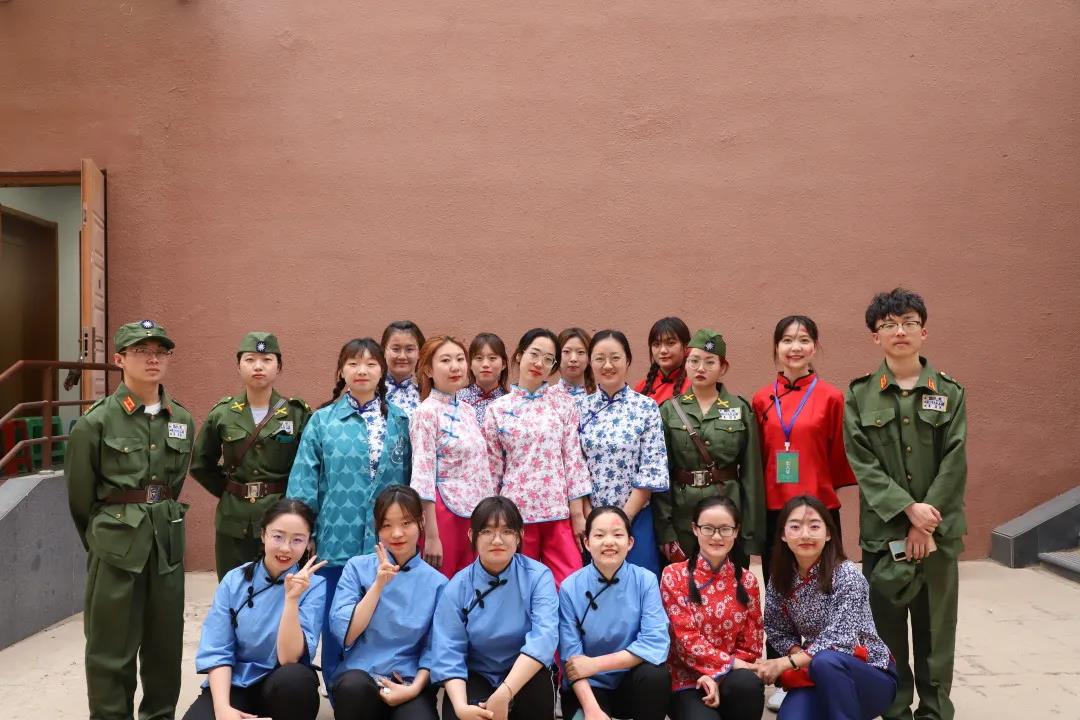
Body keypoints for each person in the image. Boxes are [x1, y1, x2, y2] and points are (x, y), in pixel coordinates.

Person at [844, 288, 966, 720]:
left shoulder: (949, 391)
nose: (900, 331)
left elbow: (955, 460)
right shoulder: (859, 395)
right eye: (889, 325)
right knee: (887, 631)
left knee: (936, 630)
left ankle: (935, 711)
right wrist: (908, 511)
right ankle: (895, 709)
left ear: (923, 332)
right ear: (875, 336)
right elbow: (863, 462)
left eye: (909, 323)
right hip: (885, 535)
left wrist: (925, 520)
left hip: (938, 535)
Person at [65, 320, 195, 720]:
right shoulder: (96, 421)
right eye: (141, 351)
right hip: (116, 546)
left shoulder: (182, 419)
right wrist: (103, 539)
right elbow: (81, 498)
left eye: (160, 352)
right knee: (111, 649)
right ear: (119, 359)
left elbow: (175, 484)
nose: (153, 359)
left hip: (166, 545)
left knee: (164, 648)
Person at [287, 337, 412, 691]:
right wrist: (305, 533)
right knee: (336, 617)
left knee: (381, 615)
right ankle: (338, 687)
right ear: (341, 370)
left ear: (382, 371)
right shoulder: (322, 421)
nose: (362, 371)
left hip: (385, 542)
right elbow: (303, 481)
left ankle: (379, 686)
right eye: (354, 363)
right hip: (335, 538)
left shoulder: (400, 420)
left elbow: (408, 480)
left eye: (371, 364)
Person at [750, 316, 856, 711]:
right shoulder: (761, 399)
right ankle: (781, 675)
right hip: (776, 508)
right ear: (776, 348)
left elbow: (837, 455)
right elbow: (758, 457)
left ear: (815, 347)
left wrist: (818, 494)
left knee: (825, 586)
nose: (795, 347)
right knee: (779, 588)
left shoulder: (831, 397)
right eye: (787, 340)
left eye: (804, 340)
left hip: (818, 508)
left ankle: (827, 667)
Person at [182, 499, 327, 720]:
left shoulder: (315, 586)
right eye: (278, 537)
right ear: (263, 535)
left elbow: (289, 659)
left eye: (297, 540)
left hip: (281, 687)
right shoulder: (234, 580)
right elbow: (218, 649)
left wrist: (291, 600)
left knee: (295, 679)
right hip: (236, 681)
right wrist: (222, 709)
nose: (286, 548)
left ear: (308, 543)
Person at [758, 495, 897, 720]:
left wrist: (787, 662)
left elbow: (840, 640)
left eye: (814, 526)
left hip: (867, 673)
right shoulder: (780, 578)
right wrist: (795, 652)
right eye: (795, 527)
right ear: (783, 534)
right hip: (815, 672)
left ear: (828, 533)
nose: (805, 534)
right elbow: (777, 629)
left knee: (827, 661)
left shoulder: (847, 575)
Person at [191, 331, 312, 579]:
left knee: (281, 587)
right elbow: (200, 464)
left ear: (279, 367)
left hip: (281, 517)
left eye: (267, 360)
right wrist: (231, 491)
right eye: (250, 359)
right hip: (233, 519)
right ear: (238, 366)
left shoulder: (297, 414)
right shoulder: (223, 413)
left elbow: (308, 468)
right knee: (234, 585)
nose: (258, 366)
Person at [429, 496, 560, 720]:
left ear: (520, 536)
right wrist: (461, 708)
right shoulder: (457, 586)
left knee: (537, 689)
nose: (497, 540)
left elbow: (544, 638)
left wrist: (506, 691)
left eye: (507, 531)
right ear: (471, 535)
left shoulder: (538, 577)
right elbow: (448, 650)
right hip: (477, 673)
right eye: (487, 531)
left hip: (524, 671)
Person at [330, 485, 448, 720]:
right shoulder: (357, 568)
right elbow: (346, 634)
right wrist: (378, 586)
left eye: (406, 523)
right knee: (353, 688)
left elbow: (435, 647)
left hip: (408, 682)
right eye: (386, 525)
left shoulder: (439, 583)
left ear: (421, 522)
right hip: (361, 677)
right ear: (377, 528)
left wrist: (413, 689)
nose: (396, 534)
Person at [483, 328, 591, 584]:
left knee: (569, 582)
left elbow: (573, 460)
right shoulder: (498, 409)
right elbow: (492, 470)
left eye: (548, 359)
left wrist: (577, 514)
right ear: (519, 355)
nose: (539, 363)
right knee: (520, 584)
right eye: (534, 354)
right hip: (516, 515)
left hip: (558, 513)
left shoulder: (564, 404)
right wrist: (494, 518)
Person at [654, 329, 765, 564]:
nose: (700, 368)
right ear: (685, 364)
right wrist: (665, 529)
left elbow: (752, 475)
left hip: (728, 514)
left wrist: (750, 533)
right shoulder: (669, 410)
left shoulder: (740, 409)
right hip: (683, 515)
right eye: (694, 361)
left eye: (709, 362)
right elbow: (661, 474)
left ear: (723, 367)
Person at [558, 506, 670, 720]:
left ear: (630, 543)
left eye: (618, 535)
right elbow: (572, 661)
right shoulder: (569, 587)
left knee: (656, 676)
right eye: (599, 535)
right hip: (587, 686)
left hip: (631, 681)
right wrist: (592, 709)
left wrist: (595, 664)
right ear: (587, 543)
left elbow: (655, 643)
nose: (609, 542)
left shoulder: (645, 580)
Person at [661, 496, 765, 720]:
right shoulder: (673, 575)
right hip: (688, 680)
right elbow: (685, 641)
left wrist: (718, 675)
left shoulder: (747, 581)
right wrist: (720, 667)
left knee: (748, 685)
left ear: (736, 531)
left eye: (725, 529)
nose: (717, 537)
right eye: (708, 528)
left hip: (731, 677)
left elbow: (752, 645)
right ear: (695, 529)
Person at [577, 330, 668, 575]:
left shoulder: (646, 407)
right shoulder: (578, 408)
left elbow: (652, 467)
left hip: (636, 518)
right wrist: (591, 518)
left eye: (615, 358)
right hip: (591, 521)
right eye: (600, 358)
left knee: (639, 582)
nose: (607, 365)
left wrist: (622, 520)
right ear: (590, 362)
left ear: (627, 360)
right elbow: (574, 466)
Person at [411, 336, 496, 578]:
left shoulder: (468, 410)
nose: (455, 366)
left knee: (474, 585)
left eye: (460, 359)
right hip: (444, 514)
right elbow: (423, 475)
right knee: (442, 584)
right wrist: (431, 535)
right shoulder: (425, 413)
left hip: (476, 515)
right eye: (445, 360)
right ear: (429, 370)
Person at [634, 317, 691, 405]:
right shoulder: (640, 389)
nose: (663, 350)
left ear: (686, 346)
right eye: (656, 344)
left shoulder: (696, 386)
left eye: (670, 343)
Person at [458, 332, 509, 425]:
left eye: (492, 358)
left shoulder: (511, 402)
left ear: (503, 364)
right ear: (470, 364)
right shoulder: (457, 399)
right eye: (479, 358)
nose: (485, 364)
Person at [382, 321, 426, 416]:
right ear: (384, 351)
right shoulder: (369, 390)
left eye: (409, 349)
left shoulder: (427, 394)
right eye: (395, 349)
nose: (402, 356)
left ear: (420, 353)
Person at [554, 327, 594, 411]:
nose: (573, 359)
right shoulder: (546, 397)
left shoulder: (600, 397)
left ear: (589, 358)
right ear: (557, 356)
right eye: (566, 351)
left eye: (580, 352)